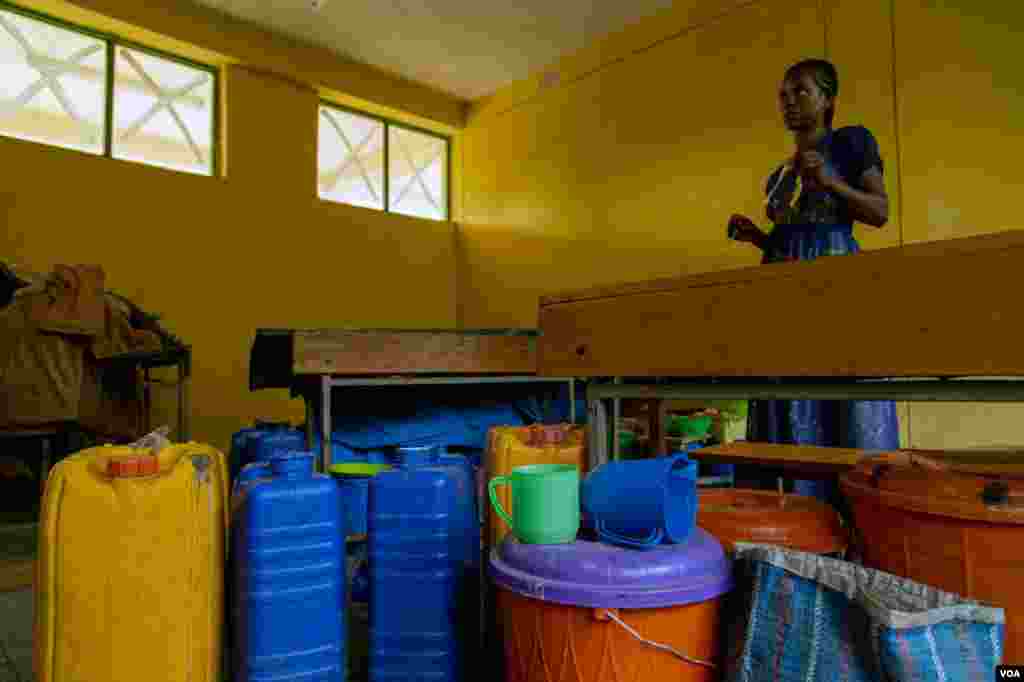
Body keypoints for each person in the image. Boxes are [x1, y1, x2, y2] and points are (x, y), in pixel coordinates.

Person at [727, 58, 900, 503]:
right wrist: (758, 237)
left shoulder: (850, 143)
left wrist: (830, 183)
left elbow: (879, 212)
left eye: (801, 91)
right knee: (787, 391)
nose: (789, 102)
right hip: (783, 287)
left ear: (828, 100)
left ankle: (855, 512)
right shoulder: (779, 175)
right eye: (783, 95)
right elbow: (791, 239)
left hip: (836, 280)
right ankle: (795, 511)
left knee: (840, 392)